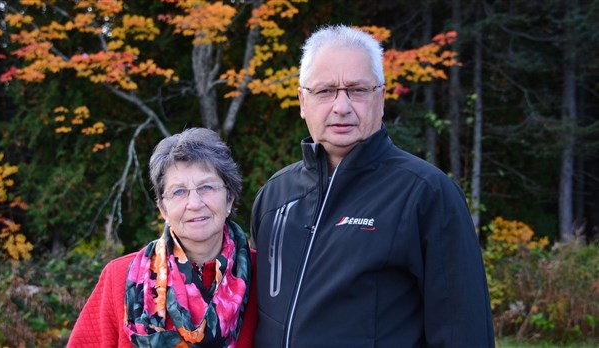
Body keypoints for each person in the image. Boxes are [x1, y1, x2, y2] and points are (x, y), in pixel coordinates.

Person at [250, 24, 495, 347]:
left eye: (357, 90)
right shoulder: (276, 195)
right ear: (302, 101)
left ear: (380, 97)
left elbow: (464, 332)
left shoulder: (426, 193)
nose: (341, 106)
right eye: (325, 91)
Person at [69, 128, 257, 347]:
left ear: (229, 199)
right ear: (163, 210)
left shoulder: (266, 277)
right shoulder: (118, 278)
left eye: (206, 187)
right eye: (178, 192)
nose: (194, 204)